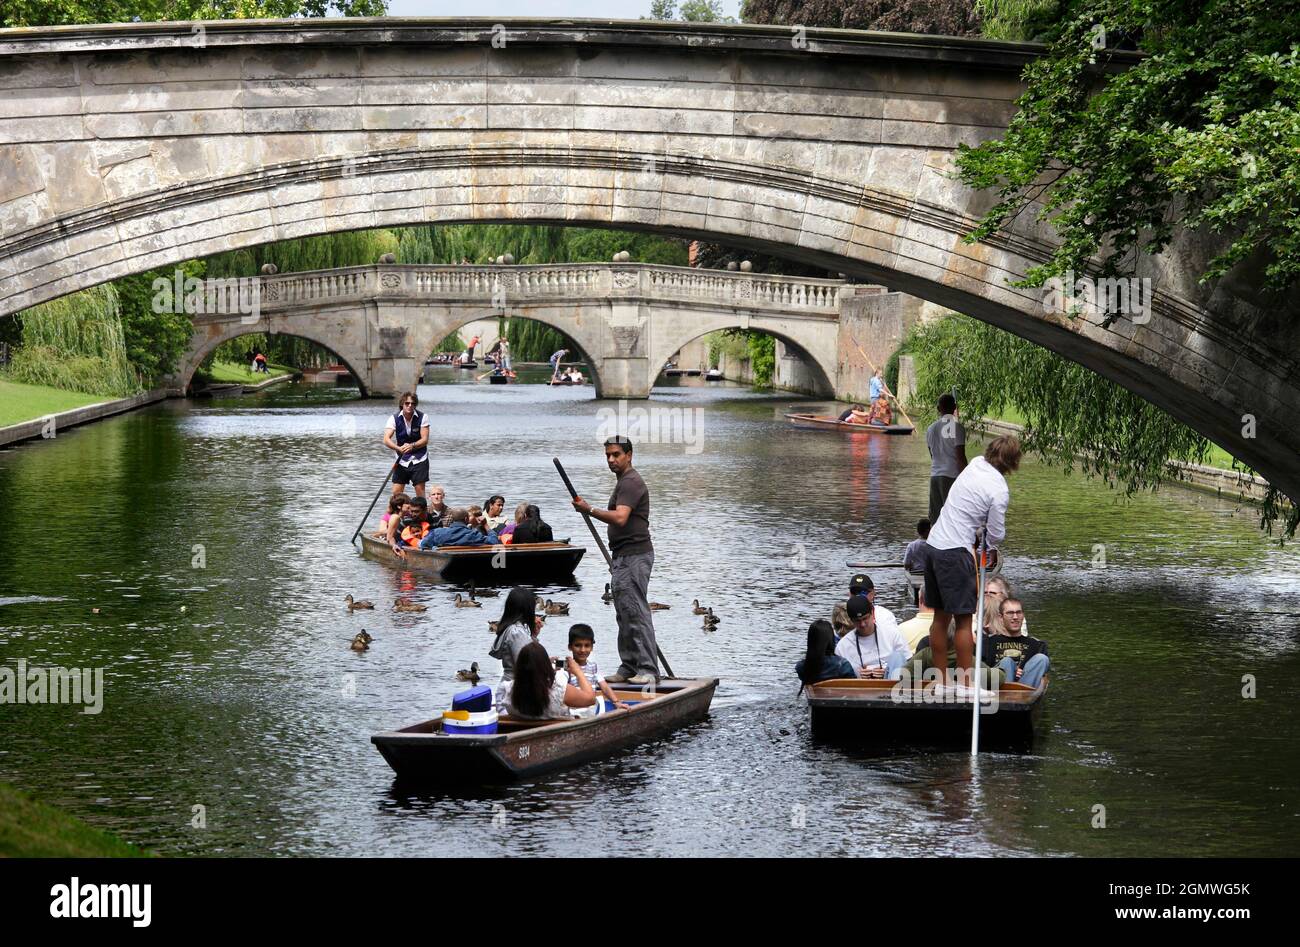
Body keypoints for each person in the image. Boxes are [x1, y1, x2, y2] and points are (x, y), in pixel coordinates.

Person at [923, 435, 1022, 689]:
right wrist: (986, 541)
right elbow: (997, 533)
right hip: (956, 553)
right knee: (965, 622)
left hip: (933, 545)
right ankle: (967, 687)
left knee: (940, 619)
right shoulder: (999, 489)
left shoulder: (975, 463)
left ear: (990, 452)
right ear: (1012, 462)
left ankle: (942, 681)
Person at [571, 436, 658, 685]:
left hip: (635, 555)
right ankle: (629, 666)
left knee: (636, 611)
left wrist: (588, 509)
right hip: (622, 556)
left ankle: (648, 670)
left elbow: (620, 518)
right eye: (608, 455)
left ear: (629, 455)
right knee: (623, 613)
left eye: (616, 454)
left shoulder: (631, 482)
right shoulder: (623, 482)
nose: (611, 460)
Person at [505, 642, 597, 720]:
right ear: (545, 666)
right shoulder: (559, 690)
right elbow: (591, 699)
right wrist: (578, 672)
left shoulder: (509, 689)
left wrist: (545, 667)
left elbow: (531, 678)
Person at [489, 589, 544, 709]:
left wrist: (533, 636)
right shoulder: (516, 632)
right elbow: (526, 664)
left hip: (511, 688)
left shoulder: (511, 629)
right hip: (514, 692)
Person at [833, 596, 910, 680]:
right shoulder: (842, 646)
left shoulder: (892, 634)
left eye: (865, 618)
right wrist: (857, 676)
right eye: (857, 621)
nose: (862, 624)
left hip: (891, 684)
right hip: (859, 688)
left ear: (873, 613)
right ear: (851, 620)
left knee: (898, 656)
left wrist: (887, 671)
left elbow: (908, 662)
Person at [983, 597, 1049, 689]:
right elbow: (983, 669)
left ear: (1023, 615)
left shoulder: (1035, 644)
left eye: (1018, 612)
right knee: (1007, 662)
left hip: (1025, 685)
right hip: (998, 687)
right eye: (1010, 613)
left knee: (1042, 659)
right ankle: (1008, 696)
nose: (1015, 617)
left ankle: (1021, 696)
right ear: (1001, 617)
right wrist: (1012, 668)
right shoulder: (989, 642)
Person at [567, 624, 630, 716]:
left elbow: (604, 686)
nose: (583, 650)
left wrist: (616, 702)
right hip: (573, 711)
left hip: (590, 709)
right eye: (578, 645)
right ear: (570, 647)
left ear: (592, 647)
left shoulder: (593, 667)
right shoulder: (567, 668)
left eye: (587, 645)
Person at [925, 393, 967, 521]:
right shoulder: (957, 428)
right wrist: (967, 479)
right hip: (951, 476)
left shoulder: (930, 429)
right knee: (952, 517)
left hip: (935, 476)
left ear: (938, 409)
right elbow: (960, 457)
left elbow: (932, 455)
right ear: (954, 407)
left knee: (936, 518)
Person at [383, 392, 431, 499]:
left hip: (420, 459)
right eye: (407, 403)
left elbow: (425, 439)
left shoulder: (423, 417)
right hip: (401, 460)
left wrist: (412, 446)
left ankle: (422, 514)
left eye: (413, 404)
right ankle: (397, 514)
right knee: (396, 493)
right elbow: (386, 439)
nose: (410, 406)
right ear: (402, 404)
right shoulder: (393, 418)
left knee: (420, 492)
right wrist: (398, 448)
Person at [796, 619, 857, 685]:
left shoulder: (801, 667)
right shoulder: (842, 665)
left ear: (810, 641)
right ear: (830, 639)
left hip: (814, 694)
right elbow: (854, 685)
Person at [420, 507, 498, 549]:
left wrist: (434, 547)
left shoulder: (437, 532)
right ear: (466, 519)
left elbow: (423, 544)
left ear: (452, 519)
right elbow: (494, 541)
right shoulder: (473, 534)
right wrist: (486, 525)